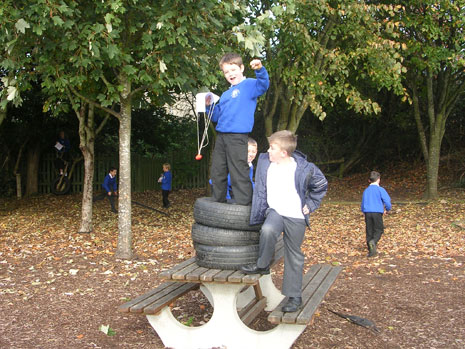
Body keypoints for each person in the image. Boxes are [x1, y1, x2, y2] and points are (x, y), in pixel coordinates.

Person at [241, 130, 328, 313]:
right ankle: (262, 265)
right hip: (275, 211)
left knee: (293, 255)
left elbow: (321, 185)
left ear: (283, 153)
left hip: (295, 215)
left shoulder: (304, 168)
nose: (267, 151)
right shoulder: (265, 161)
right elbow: (245, 157)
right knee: (267, 230)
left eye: (272, 148)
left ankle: (294, 297)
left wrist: (311, 204)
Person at [206, 53, 269, 205]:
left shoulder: (249, 85)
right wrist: (209, 107)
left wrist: (259, 69)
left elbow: (263, 85)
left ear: (241, 68)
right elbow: (216, 117)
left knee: (238, 171)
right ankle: (218, 201)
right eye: (226, 72)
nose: (230, 74)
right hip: (221, 137)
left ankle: (244, 205)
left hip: (237, 136)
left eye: (233, 69)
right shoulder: (226, 94)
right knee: (217, 171)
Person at [209, 137, 258, 202]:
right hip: (220, 187)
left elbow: (249, 182)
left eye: (253, 152)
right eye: (247, 151)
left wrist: (258, 192)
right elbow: (222, 181)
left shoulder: (249, 165)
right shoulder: (235, 165)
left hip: (233, 188)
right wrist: (227, 200)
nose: (251, 154)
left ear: (256, 152)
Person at [361, 171, 391, 257]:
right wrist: (387, 209)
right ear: (379, 180)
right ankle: (373, 241)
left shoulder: (366, 190)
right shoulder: (380, 189)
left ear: (369, 181)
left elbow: (363, 202)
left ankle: (371, 251)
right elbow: (387, 201)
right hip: (377, 212)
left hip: (367, 212)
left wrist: (363, 211)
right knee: (379, 229)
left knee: (369, 229)